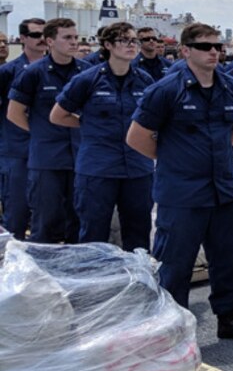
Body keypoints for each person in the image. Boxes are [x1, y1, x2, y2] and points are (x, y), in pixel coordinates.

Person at [127, 22, 233, 344]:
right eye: (205, 46)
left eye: (218, 46)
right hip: (182, 193)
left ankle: (228, 317)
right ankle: (173, 326)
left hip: (223, 190)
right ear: (186, 51)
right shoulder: (166, 90)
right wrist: (174, 158)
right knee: (175, 263)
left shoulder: (231, 88)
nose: (214, 51)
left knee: (230, 258)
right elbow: (137, 137)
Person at [50, 22, 154, 250]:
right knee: (93, 232)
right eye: (124, 40)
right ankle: (93, 282)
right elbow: (58, 115)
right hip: (98, 168)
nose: (131, 45)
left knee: (139, 232)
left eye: (134, 41)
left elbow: (154, 121)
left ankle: (139, 281)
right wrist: (89, 125)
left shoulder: (145, 81)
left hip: (137, 168)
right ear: (107, 45)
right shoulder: (88, 79)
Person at [7, 17, 87, 244]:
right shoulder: (33, 73)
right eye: (67, 38)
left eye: (75, 37)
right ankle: (43, 274)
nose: (74, 42)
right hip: (47, 160)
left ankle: (77, 274)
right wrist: (40, 133)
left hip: (81, 157)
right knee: (46, 221)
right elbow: (14, 113)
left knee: (79, 221)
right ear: (50, 41)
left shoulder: (87, 72)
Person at [0, 18, 46, 240]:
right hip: (17, 150)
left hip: (50, 151)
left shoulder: (58, 70)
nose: (42, 40)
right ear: (23, 39)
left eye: (45, 35)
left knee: (48, 212)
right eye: (36, 35)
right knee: (16, 212)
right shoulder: (9, 72)